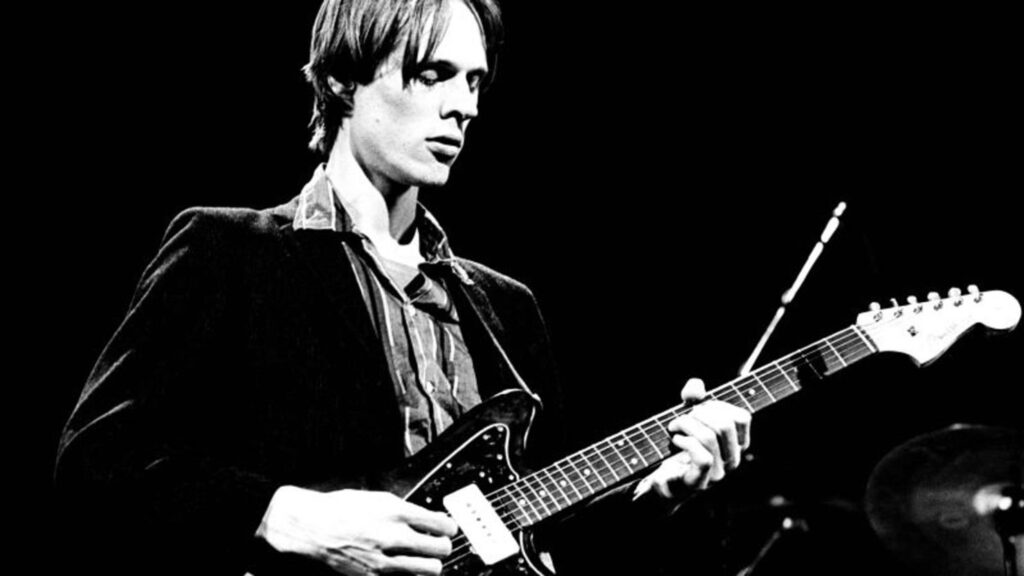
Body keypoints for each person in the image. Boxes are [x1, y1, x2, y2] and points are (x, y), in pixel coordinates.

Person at [54, 0, 752, 574]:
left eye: (474, 82)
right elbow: (95, 461)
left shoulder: (508, 309)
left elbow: (539, 540)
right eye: (432, 74)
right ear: (340, 80)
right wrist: (281, 514)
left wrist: (658, 496)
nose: (464, 106)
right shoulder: (230, 251)